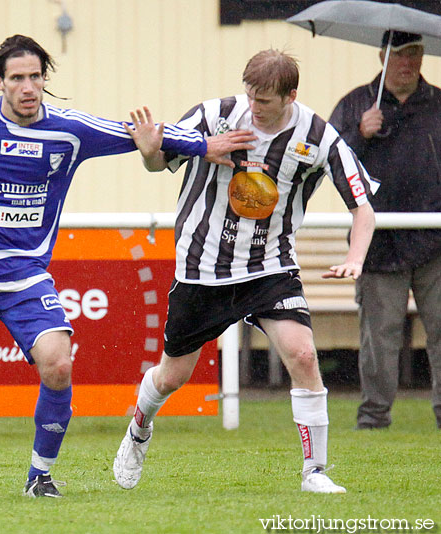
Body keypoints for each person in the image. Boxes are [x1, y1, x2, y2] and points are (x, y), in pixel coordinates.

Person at [0, 34, 255, 498]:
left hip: (26, 278)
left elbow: (134, 134)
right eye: (17, 78)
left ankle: (40, 477)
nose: (28, 87)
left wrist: (203, 145)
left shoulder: (68, 130)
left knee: (58, 366)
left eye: (36, 77)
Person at [113, 49, 378, 494]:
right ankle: (139, 429)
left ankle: (314, 472)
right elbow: (162, 161)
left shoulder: (318, 136)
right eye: (250, 96)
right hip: (202, 267)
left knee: (304, 355)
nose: (253, 108)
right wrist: (148, 153)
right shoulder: (213, 115)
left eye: (265, 102)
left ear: (291, 95)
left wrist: (356, 257)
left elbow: (363, 207)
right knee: (171, 377)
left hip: (270, 266)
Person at [330, 31, 441, 430]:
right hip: (378, 244)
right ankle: (374, 418)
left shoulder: (438, 104)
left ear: (423, 57)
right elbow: (329, 163)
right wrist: (359, 134)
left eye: (414, 54)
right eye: (398, 55)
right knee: (380, 338)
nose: (406, 63)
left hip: (435, 241)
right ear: (382, 56)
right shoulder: (356, 105)